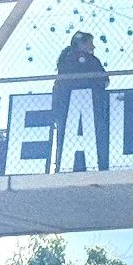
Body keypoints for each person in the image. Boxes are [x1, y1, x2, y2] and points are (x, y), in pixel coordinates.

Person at [51, 31, 107, 168]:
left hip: (66, 109)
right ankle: (96, 165)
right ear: (81, 44)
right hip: (89, 107)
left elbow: (58, 87)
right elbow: (104, 81)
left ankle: (63, 166)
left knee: (64, 138)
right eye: (90, 43)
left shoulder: (65, 61)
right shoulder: (91, 61)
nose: (93, 47)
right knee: (93, 137)